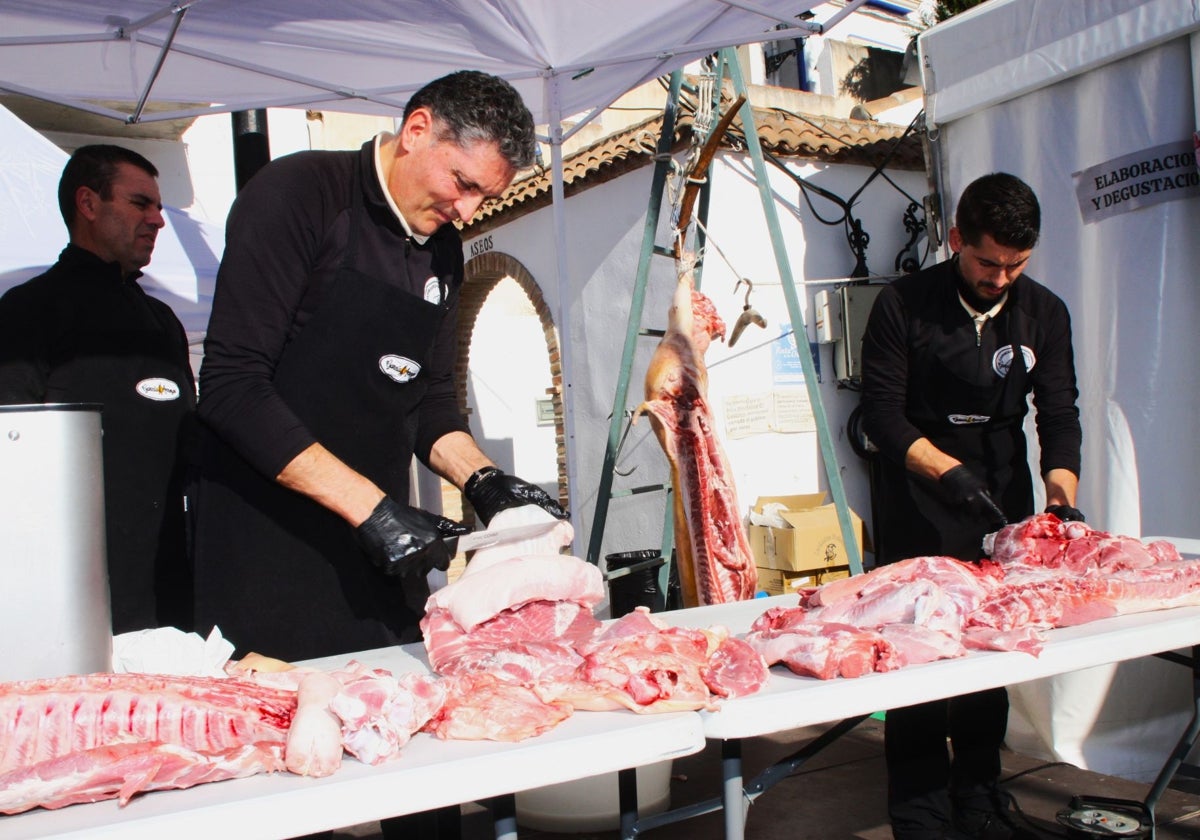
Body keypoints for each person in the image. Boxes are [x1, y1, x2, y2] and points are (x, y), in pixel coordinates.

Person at [191, 69, 566, 663]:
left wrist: (485, 481)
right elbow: (232, 387)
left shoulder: (441, 245)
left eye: (483, 199)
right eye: (462, 183)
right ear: (417, 129)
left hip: (381, 555)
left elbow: (430, 404)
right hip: (268, 551)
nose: (467, 213)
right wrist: (371, 508)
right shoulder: (297, 194)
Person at [859, 172, 1083, 840]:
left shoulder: (1044, 312)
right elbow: (883, 417)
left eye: (1016, 265)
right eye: (988, 262)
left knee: (990, 664)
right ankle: (921, 816)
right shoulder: (903, 306)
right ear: (956, 239)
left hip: (1001, 509)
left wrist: (1061, 503)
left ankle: (979, 799)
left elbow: (1060, 415)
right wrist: (946, 473)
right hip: (919, 501)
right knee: (921, 667)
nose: (1001, 277)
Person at [0, 144, 196, 634]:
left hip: (173, 576)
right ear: (88, 204)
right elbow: (14, 458)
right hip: (76, 588)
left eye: (158, 206)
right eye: (139, 204)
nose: (158, 221)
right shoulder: (28, 311)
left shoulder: (162, 319)